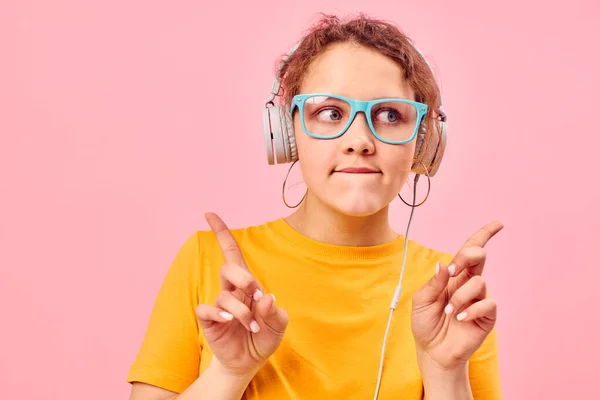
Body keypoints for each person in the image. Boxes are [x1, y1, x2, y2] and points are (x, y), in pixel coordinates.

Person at [127, 13, 503, 400]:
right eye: (330, 113)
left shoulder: (451, 294)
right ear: (287, 133)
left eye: (390, 115)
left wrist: (445, 372)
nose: (360, 141)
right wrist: (228, 373)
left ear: (424, 143)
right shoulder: (209, 263)